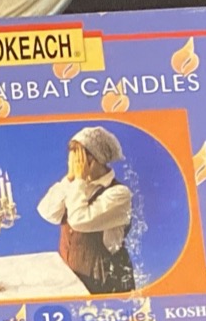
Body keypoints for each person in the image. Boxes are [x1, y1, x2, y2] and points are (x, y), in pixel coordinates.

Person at [37, 125, 137, 294]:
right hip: (73, 281)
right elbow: (47, 212)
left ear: (95, 160)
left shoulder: (119, 194)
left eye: (79, 160)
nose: (75, 166)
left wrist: (79, 180)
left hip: (105, 284)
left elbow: (79, 220)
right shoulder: (78, 185)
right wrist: (69, 179)